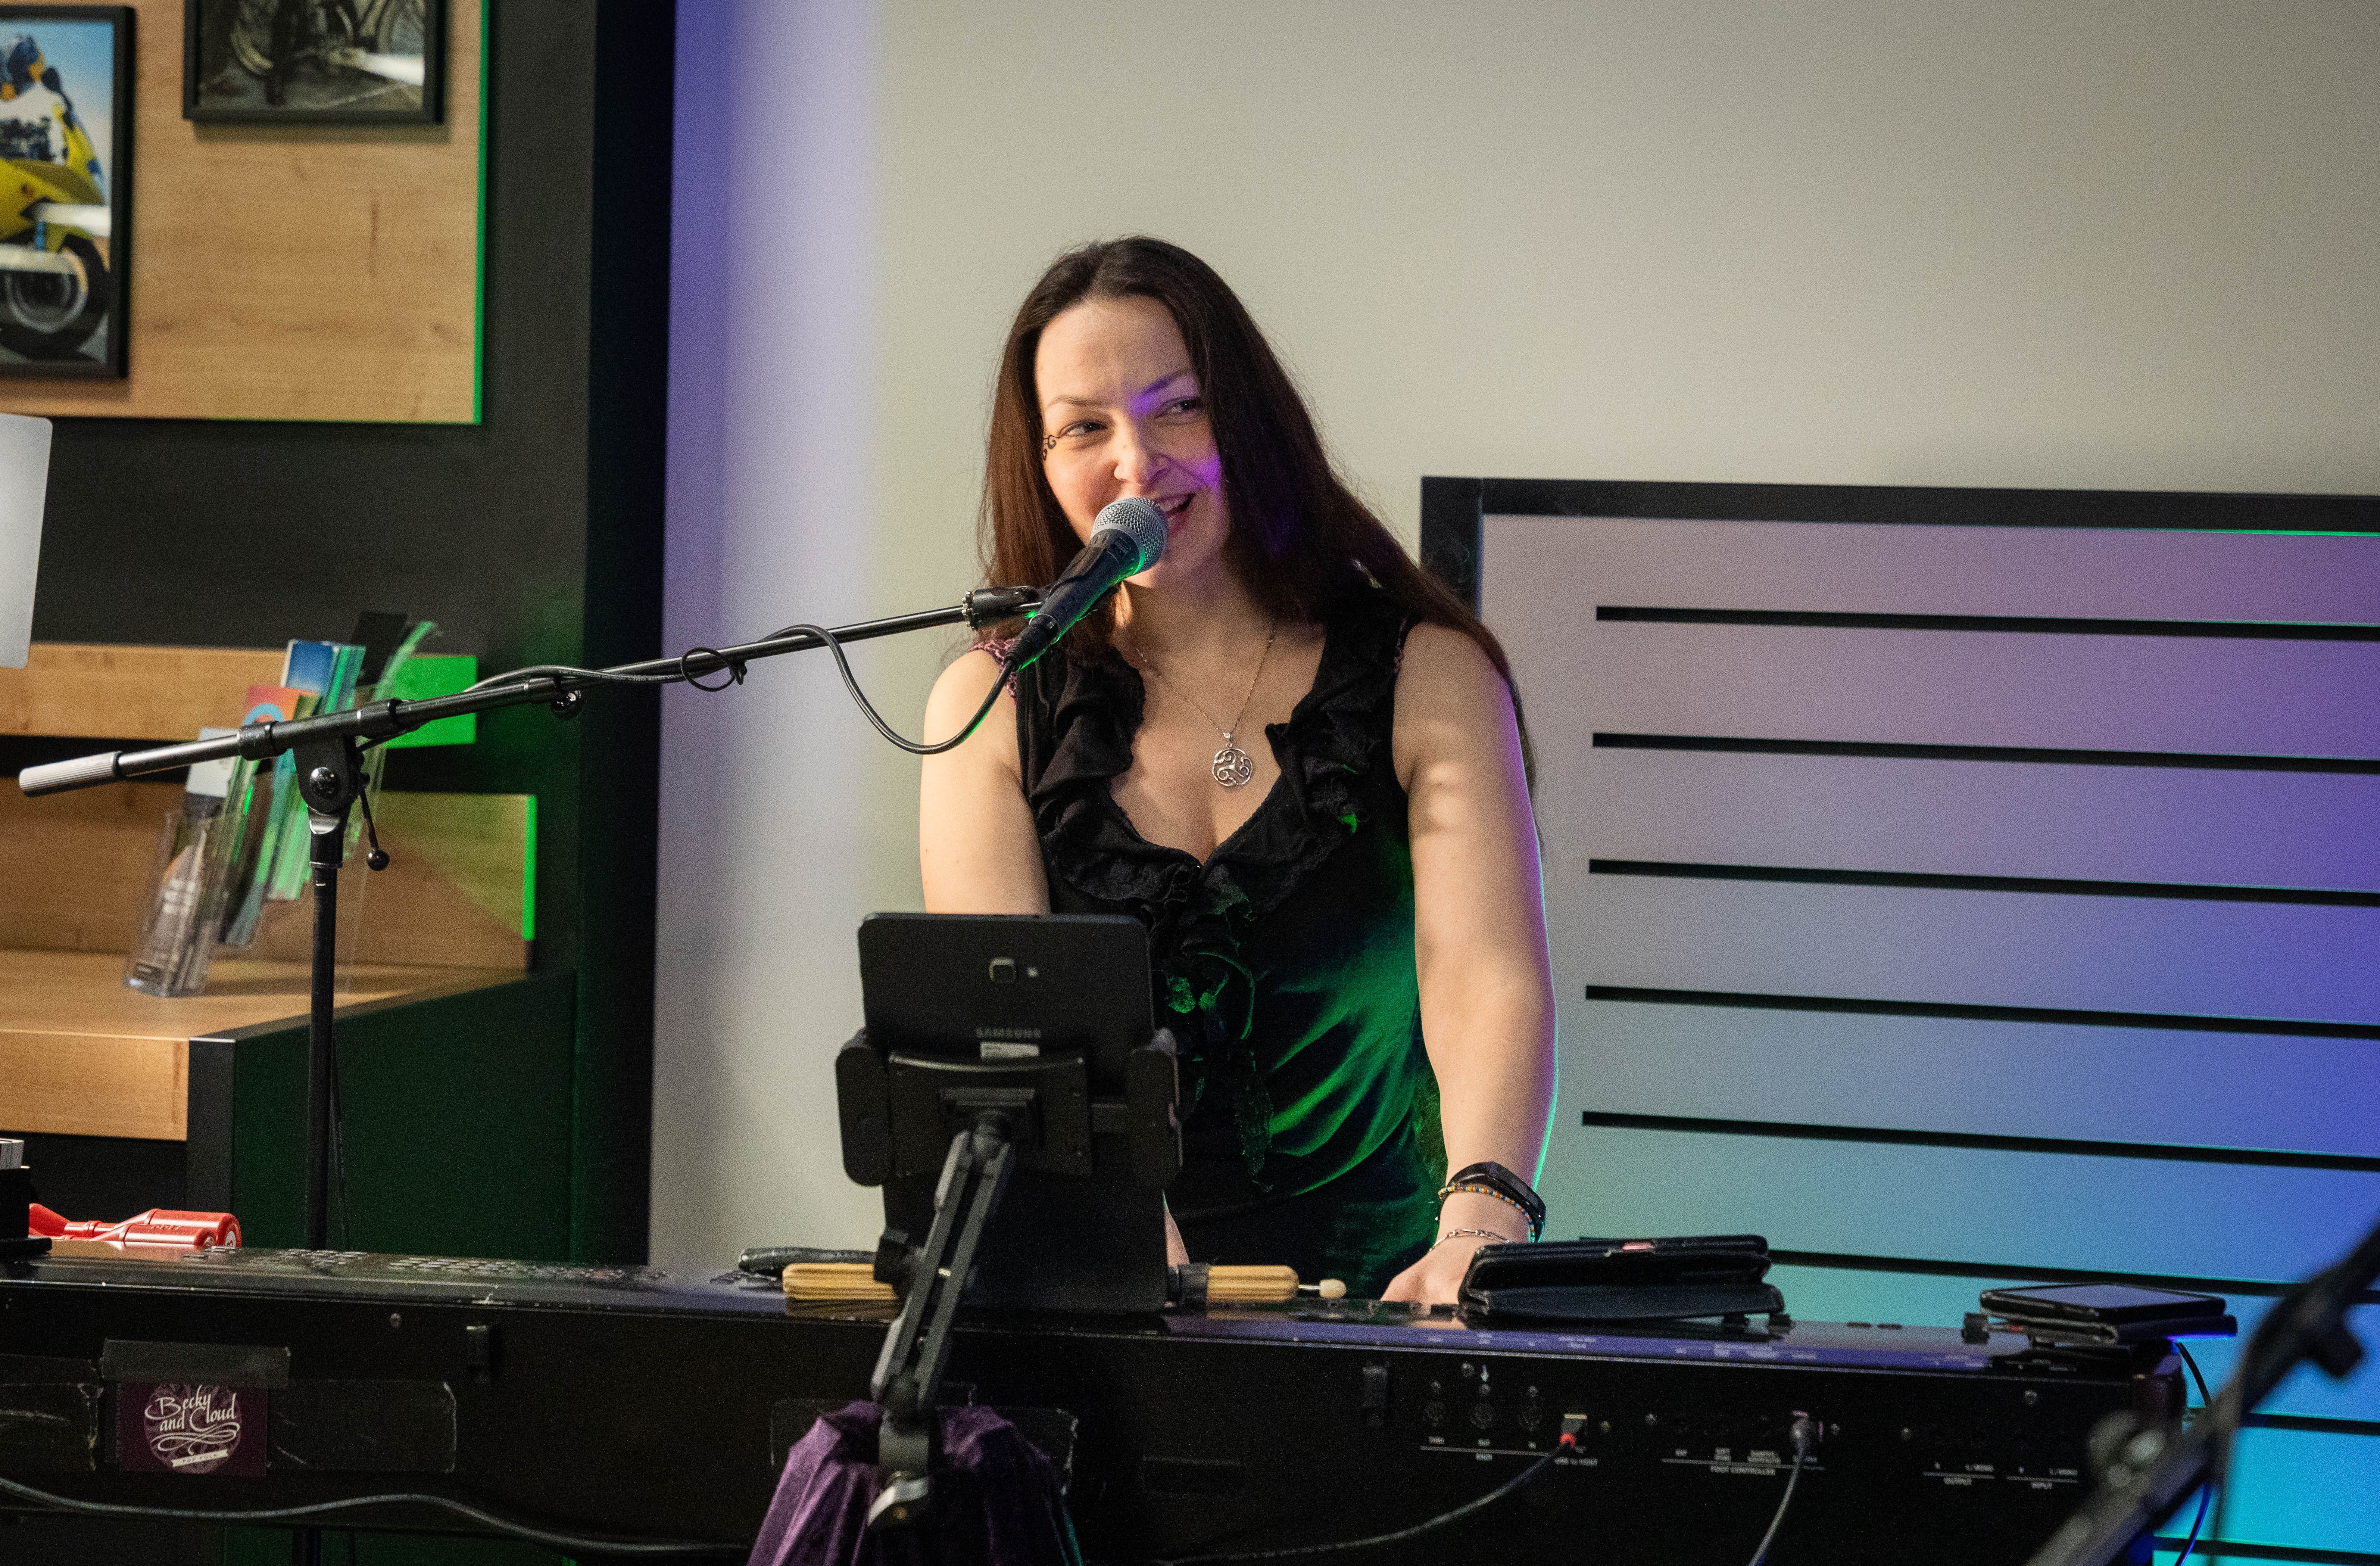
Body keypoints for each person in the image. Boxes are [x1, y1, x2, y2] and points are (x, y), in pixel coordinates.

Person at [919, 237, 1554, 1304]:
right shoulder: (993, 701)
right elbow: (1022, 1050)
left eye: (1178, 407)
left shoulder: (1426, 673)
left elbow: (1484, 976)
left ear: (1246, 418)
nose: (1135, 464)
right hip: (1121, 1305)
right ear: (1041, 462)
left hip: (1395, 1297)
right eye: (1085, 427)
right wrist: (1149, 1277)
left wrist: (1480, 1226)